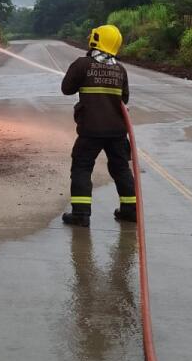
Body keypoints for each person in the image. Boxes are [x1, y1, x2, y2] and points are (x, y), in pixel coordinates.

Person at [59, 25, 137, 228]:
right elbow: (125, 99)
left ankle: (81, 215)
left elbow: (66, 89)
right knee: (121, 169)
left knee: (82, 168)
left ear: (96, 39)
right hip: (117, 131)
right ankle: (130, 211)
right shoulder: (120, 69)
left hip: (90, 130)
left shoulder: (82, 64)